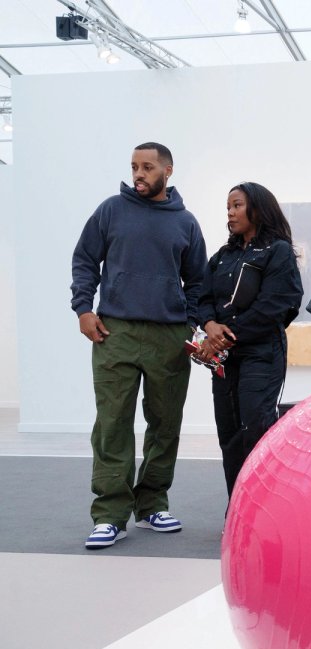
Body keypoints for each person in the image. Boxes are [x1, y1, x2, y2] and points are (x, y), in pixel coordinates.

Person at [71, 142, 207, 550]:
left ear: (167, 170)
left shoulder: (185, 222)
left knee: (165, 423)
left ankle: (151, 505)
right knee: (113, 422)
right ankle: (110, 515)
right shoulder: (111, 210)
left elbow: (198, 281)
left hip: (170, 335)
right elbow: (84, 259)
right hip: (115, 332)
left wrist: (190, 323)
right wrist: (83, 309)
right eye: (134, 167)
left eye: (147, 167)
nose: (139, 174)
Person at [196, 182, 303, 497]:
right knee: (229, 434)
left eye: (237, 205)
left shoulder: (278, 251)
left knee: (255, 429)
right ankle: (237, 508)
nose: (230, 213)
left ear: (258, 208)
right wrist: (209, 325)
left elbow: (275, 306)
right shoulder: (223, 256)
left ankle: (262, 508)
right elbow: (203, 298)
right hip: (226, 358)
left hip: (261, 353)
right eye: (228, 207)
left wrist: (225, 335)